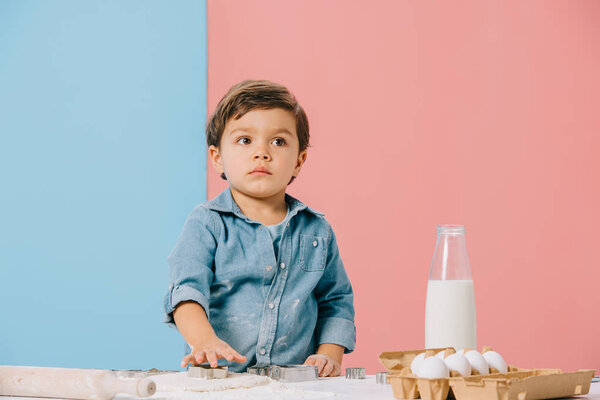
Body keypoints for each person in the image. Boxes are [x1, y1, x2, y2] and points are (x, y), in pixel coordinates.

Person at [163, 80, 356, 377]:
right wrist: (204, 341)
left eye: (278, 142)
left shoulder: (318, 231)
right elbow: (186, 293)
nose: (262, 153)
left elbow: (335, 301)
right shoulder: (207, 223)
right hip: (220, 380)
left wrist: (329, 355)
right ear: (217, 158)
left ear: (299, 161)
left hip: (295, 384)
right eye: (244, 141)